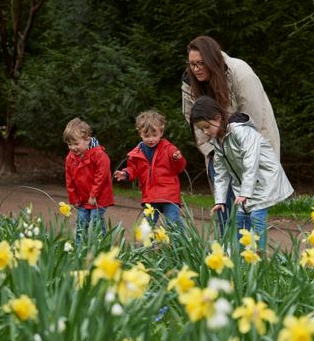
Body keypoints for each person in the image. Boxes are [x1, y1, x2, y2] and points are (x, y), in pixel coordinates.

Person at [181, 35, 281, 233]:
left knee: (250, 214)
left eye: (201, 63)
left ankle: (253, 259)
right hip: (217, 150)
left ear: (212, 59)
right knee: (224, 213)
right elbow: (194, 119)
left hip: (252, 145)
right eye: (192, 64)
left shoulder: (240, 73)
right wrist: (211, 151)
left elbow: (253, 117)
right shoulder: (189, 81)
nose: (196, 69)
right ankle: (226, 257)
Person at [189, 95, 292, 253]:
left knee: (257, 218)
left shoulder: (241, 131)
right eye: (201, 129)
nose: (205, 132)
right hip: (244, 186)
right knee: (238, 220)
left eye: (206, 127)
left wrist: (246, 192)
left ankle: (259, 258)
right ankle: (239, 258)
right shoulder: (217, 141)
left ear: (218, 118)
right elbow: (221, 174)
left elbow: (251, 162)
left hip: (263, 181)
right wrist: (220, 200)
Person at [114, 110, 187, 230]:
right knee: (147, 225)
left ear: (161, 132)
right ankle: (147, 247)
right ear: (140, 134)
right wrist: (125, 173)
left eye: (154, 135)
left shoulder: (169, 149)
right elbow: (133, 169)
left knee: (172, 221)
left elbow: (179, 168)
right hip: (150, 195)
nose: (151, 139)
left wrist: (177, 159)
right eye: (146, 136)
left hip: (169, 195)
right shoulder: (136, 153)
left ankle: (180, 246)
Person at [63, 118, 114, 242]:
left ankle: (101, 244)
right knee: (81, 221)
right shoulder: (70, 158)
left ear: (87, 140)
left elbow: (102, 175)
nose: (72, 148)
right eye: (69, 144)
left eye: (76, 144)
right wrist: (74, 198)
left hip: (98, 197)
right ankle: (79, 247)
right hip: (82, 199)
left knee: (96, 219)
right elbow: (69, 179)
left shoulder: (98, 154)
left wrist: (93, 194)